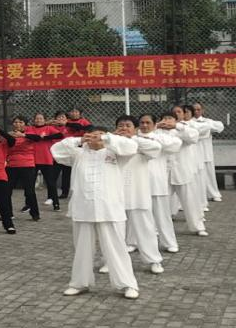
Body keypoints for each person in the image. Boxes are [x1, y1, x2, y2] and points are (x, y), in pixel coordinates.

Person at [53, 127, 141, 299]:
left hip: (109, 208)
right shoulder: (78, 153)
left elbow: (131, 146)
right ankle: (80, 283)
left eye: (99, 135)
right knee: (82, 248)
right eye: (92, 135)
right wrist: (79, 140)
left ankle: (127, 284)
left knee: (116, 248)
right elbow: (56, 150)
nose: (95, 139)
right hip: (83, 207)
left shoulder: (116, 153)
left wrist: (107, 138)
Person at [113, 115, 165, 274]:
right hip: (115, 194)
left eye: (128, 125)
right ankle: (111, 261)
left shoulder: (142, 143)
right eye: (121, 125)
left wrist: (132, 139)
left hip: (138, 193)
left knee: (145, 228)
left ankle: (154, 260)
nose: (124, 128)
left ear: (135, 129)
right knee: (113, 231)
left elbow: (156, 149)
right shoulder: (111, 144)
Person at [157, 113, 207, 237]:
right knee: (160, 203)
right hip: (163, 173)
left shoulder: (183, 129)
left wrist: (177, 126)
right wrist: (156, 125)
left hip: (182, 172)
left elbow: (193, 137)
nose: (167, 121)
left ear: (176, 120)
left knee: (190, 201)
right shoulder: (157, 131)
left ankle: (198, 227)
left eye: (170, 119)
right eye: (164, 119)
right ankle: (156, 228)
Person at [140, 113, 181, 254]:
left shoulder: (161, 137)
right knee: (136, 215)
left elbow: (176, 145)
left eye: (148, 123)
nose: (145, 125)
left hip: (157, 182)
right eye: (142, 122)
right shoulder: (134, 137)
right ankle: (133, 241)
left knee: (162, 215)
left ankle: (169, 242)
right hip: (137, 184)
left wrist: (153, 137)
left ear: (154, 124)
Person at [190, 101, 225, 203]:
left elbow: (220, 127)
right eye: (194, 110)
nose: (196, 112)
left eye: (198, 109)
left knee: (209, 174)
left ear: (202, 110)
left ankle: (214, 194)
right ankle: (198, 196)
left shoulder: (207, 121)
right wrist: (205, 129)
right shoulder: (188, 122)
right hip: (193, 153)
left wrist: (206, 126)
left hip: (206, 152)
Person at [28, 112, 63, 211]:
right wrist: (40, 138)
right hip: (33, 160)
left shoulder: (49, 128)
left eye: (41, 118)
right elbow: (31, 137)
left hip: (46, 159)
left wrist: (46, 137)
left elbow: (60, 135)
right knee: (30, 184)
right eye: (37, 118)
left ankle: (56, 204)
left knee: (51, 183)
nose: (38, 120)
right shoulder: (30, 128)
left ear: (44, 120)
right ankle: (28, 205)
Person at [8, 116, 41, 221]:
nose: (17, 124)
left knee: (29, 191)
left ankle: (35, 214)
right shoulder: (9, 135)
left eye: (20, 122)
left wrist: (22, 135)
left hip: (27, 165)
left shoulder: (29, 134)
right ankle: (7, 213)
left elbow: (38, 138)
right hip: (11, 165)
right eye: (15, 122)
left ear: (25, 124)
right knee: (6, 191)